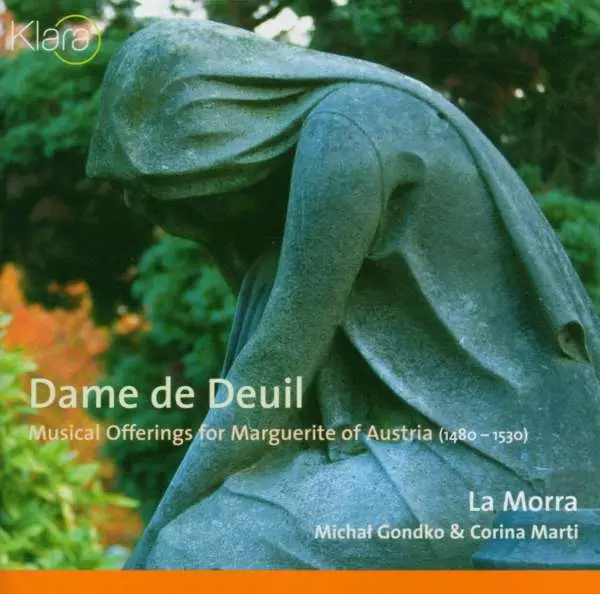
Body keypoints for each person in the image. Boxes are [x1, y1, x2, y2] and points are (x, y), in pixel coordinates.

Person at [86, 19, 600, 569]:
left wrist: (153, 535)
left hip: (502, 457)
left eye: (177, 199)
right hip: (425, 446)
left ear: (211, 143)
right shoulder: (331, 146)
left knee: (192, 553)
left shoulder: (348, 133)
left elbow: (277, 365)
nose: (182, 221)